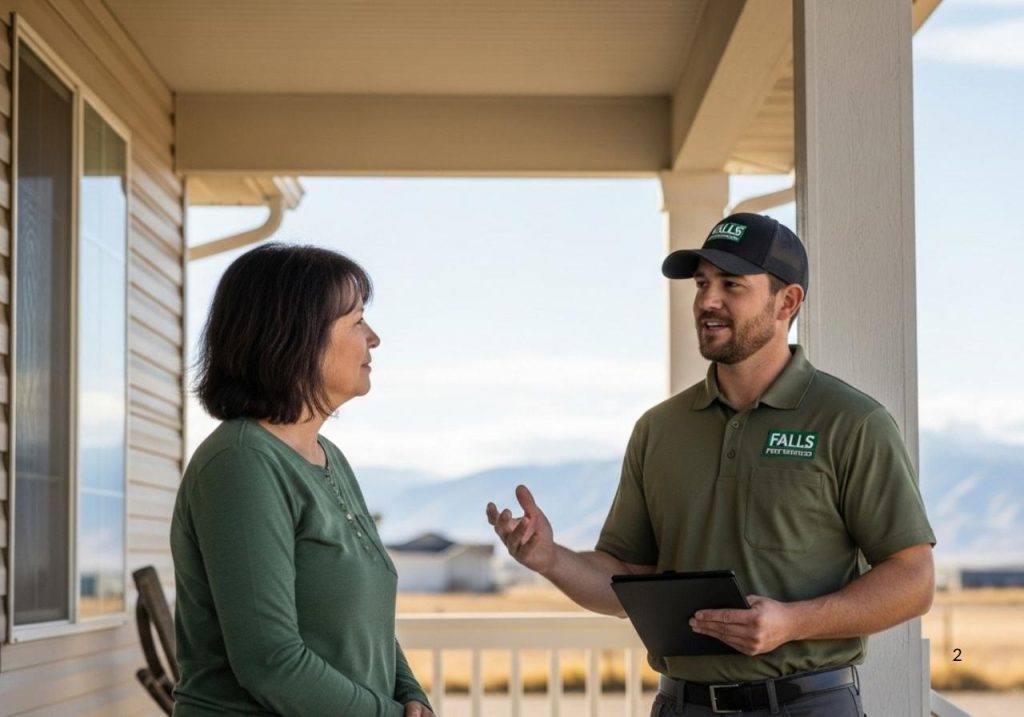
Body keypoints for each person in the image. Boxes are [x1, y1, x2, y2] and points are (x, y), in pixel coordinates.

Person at [486, 213, 935, 716]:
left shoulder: (852, 422)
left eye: (731, 285)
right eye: (702, 283)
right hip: (682, 705)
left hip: (808, 705)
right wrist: (550, 559)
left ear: (787, 302)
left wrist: (793, 622)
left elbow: (913, 578)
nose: (707, 301)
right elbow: (625, 580)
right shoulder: (659, 430)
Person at [171, 244, 434, 717]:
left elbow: (362, 623)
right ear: (297, 336)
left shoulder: (327, 457)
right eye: (356, 321)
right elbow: (270, 662)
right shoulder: (241, 464)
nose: (373, 338)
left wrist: (410, 694)